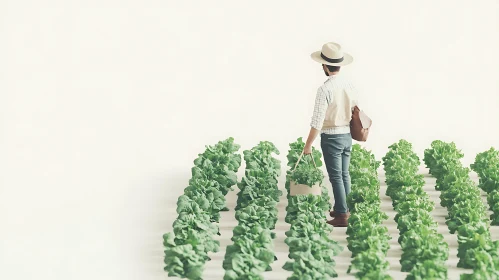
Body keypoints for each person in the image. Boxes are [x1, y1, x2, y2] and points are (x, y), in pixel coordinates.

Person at [303, 42, 359, 227]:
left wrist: (308, 145)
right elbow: (353, 109)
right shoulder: (349, 85)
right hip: (346, 136)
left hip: (331, 137)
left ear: (325, 66)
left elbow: (317, 121)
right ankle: (345, 208)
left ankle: (342, 215)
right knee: (344, 174)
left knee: (336, 177)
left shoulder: (325, 89)